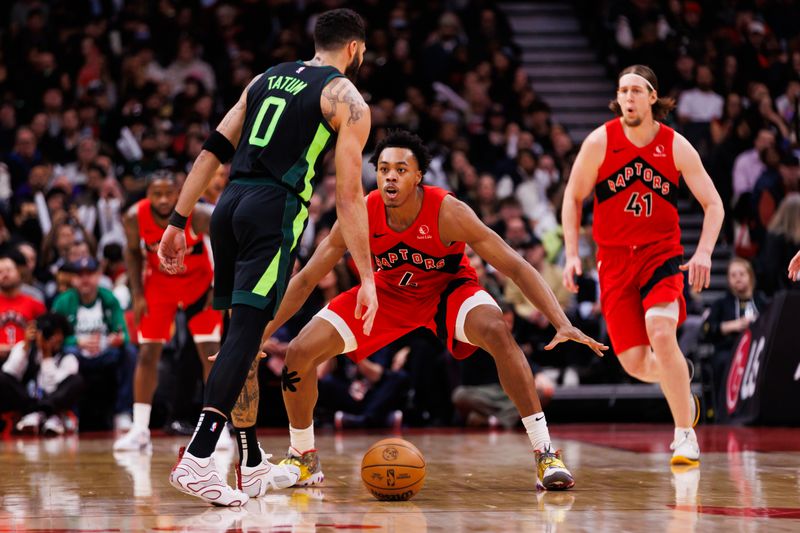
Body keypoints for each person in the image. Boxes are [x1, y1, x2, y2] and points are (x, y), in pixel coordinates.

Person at [239, 130, 606, 491]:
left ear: (418, 176)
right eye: (383, 169)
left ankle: (545, 452)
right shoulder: (362, 213)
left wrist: (561, 321)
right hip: (387, 294)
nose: (390, 177)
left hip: (446, 291)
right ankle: (303, 458)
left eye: (400, 169)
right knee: (300, 352)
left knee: (495, 328)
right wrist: (261, 334)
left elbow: (516, 265)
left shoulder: (449, 211)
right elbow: (305, 281)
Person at [159, 8, 378, 506]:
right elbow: (347, 198)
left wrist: (177, 219)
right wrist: (366, 275)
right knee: (246, 335)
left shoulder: (265, 78)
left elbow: (211, 149)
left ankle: (251, 460)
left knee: (240, 336)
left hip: (228, 205)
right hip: (272, 209)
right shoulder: (347, 98)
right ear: (354, 49)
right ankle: (197, 458)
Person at [561, 65, 724, 467]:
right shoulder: (600, 141)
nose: (628, 98)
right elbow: (572, 198)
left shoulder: (675, 145)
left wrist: (703, 252)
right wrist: (570, 253)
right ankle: (679, 382)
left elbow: (714, 203)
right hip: (613, 261)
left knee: (661, 332)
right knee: (634, 363)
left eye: (636, 90)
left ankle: (684, 435)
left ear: (653, 97)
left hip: (659, 255)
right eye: (622, 91)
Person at [114, 171, 230, 451]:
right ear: (148, 195)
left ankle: (218, 428)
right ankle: (140, 428)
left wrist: (219, 286)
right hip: (159, 285)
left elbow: (226, 245)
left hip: (199, 284)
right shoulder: (133, 217)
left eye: (170, 193)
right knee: (147, 353)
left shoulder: (199, 214)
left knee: (210, 354)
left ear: (180, 193)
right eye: (157, 193)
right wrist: (138, 294)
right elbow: (131, 252)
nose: (164, 199)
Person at [51, 256, 135, 431]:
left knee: (129, 352)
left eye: (89, 273)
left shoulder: (109, 299)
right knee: (68, 354)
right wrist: (77, 341)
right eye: (80, 274)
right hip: (77, 354)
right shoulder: (63, 301)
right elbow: (52, 339)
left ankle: (123, 413)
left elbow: (124, 335)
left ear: (98, 276)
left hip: (105, 353)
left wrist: (115, 340)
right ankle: (69, 414)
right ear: (73, 278)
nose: (85, 279)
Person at [0, 312, 83, 436]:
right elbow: (9, 375)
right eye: (49, 333)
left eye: (57, 334)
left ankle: (43, 413)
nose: (53, 338)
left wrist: (46, 356)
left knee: (77, 381)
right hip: (26, 400)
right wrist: (26, 346)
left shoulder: (69, 359)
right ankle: (35, 413)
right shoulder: (24, 349)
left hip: (53, 404)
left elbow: (52, 388)